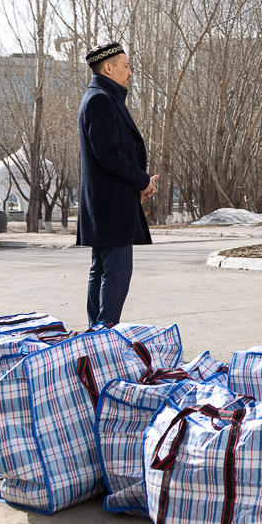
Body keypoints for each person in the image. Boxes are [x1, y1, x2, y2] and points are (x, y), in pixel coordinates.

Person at [76, 42, 158, 327]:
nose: (130, 72)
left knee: (102, 269)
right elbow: (109, 154)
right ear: (108, 67)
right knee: (115, 271)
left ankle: (96, 330)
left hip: (107, 201)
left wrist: (140, 182)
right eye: (125, 66)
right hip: (110, 203)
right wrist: (142, 180)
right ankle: (104, 333)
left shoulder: (101, 97)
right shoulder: (100, 100)